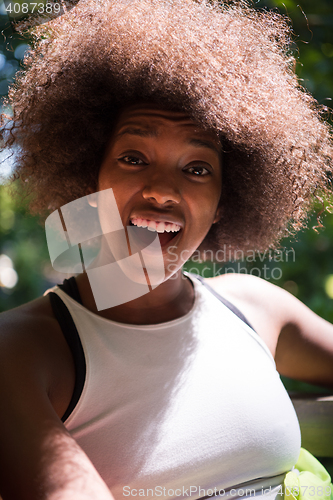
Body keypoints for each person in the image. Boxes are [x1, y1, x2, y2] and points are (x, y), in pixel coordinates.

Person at [0, 1, 333, 499]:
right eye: (134, 158)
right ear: (88, 177)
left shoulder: (253, 306)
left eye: (197, 168)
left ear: (224, 202)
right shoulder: (21, 349)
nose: (162, 190)